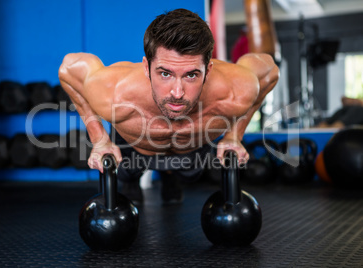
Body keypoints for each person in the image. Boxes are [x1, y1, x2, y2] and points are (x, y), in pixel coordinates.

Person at [58, 9, 279, 204]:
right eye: (165, 73)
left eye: (191, 75)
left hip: (191, 151)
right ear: (146, 67)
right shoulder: (115, 92)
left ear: (208, 70)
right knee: (126, 175)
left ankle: (171, 176)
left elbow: (269, 70)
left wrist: (233, 136)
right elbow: (70, 68)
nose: (177, 92)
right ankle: (132, 182)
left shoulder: (234, 89)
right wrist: (99, 140)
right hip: (134, 147)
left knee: (189, 176)